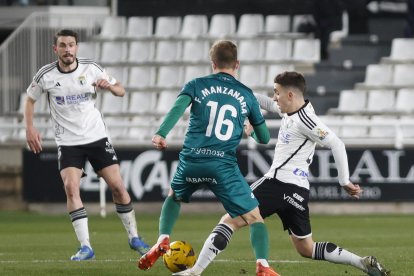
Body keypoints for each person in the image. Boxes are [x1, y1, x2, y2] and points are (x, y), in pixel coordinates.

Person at [175, 71, 390, 276]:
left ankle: (195, 271)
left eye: (277, 92)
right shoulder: (290, 110)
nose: (274, 97)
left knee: (228, 221)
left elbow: (337, 143)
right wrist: (240, 96)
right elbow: (263, 101)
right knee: (306, 248)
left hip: (276, 184)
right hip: (298, 192)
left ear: (290, 94)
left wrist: (344, 181)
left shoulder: (306, 120)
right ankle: (360, 261)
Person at [137, 40, 279, 276]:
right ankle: (262, 265)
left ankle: (163, 240)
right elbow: (264, 138)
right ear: (237, 64)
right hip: (222, 165)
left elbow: (177, 108)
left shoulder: (196, 84)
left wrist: (161, 133)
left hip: (191, 161)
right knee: (254, 218)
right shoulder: (245, 94)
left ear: (212, 63)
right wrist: (251, 131)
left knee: (174, 197)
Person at [24, 29, 149, 261]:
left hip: (97, 138)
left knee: (119, 187)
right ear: (56, 49)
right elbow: (30, 99)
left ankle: (134, 237)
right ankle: (86, 247)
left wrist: (110, 86)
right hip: (68, 142)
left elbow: (121, 90)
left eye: (71, 45)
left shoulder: (91, 68)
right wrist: (29, 128)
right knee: (71, 188)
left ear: (76, 47)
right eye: (63, 45)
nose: (67, 49)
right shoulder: (46, 75)